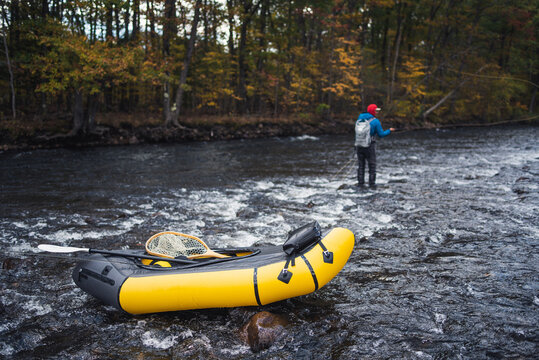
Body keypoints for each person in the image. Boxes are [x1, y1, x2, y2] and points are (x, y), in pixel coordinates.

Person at [355, 104, 395, 188]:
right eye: (376, 110)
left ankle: (360, 184)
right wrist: (389, 130)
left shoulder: (359, 118)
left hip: (358, 145)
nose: (377, 112)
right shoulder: (375, 121)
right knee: (372, 165)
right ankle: (372, 184)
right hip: (369, 145)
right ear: (372, 111)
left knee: (361, 165)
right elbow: (381, 134)